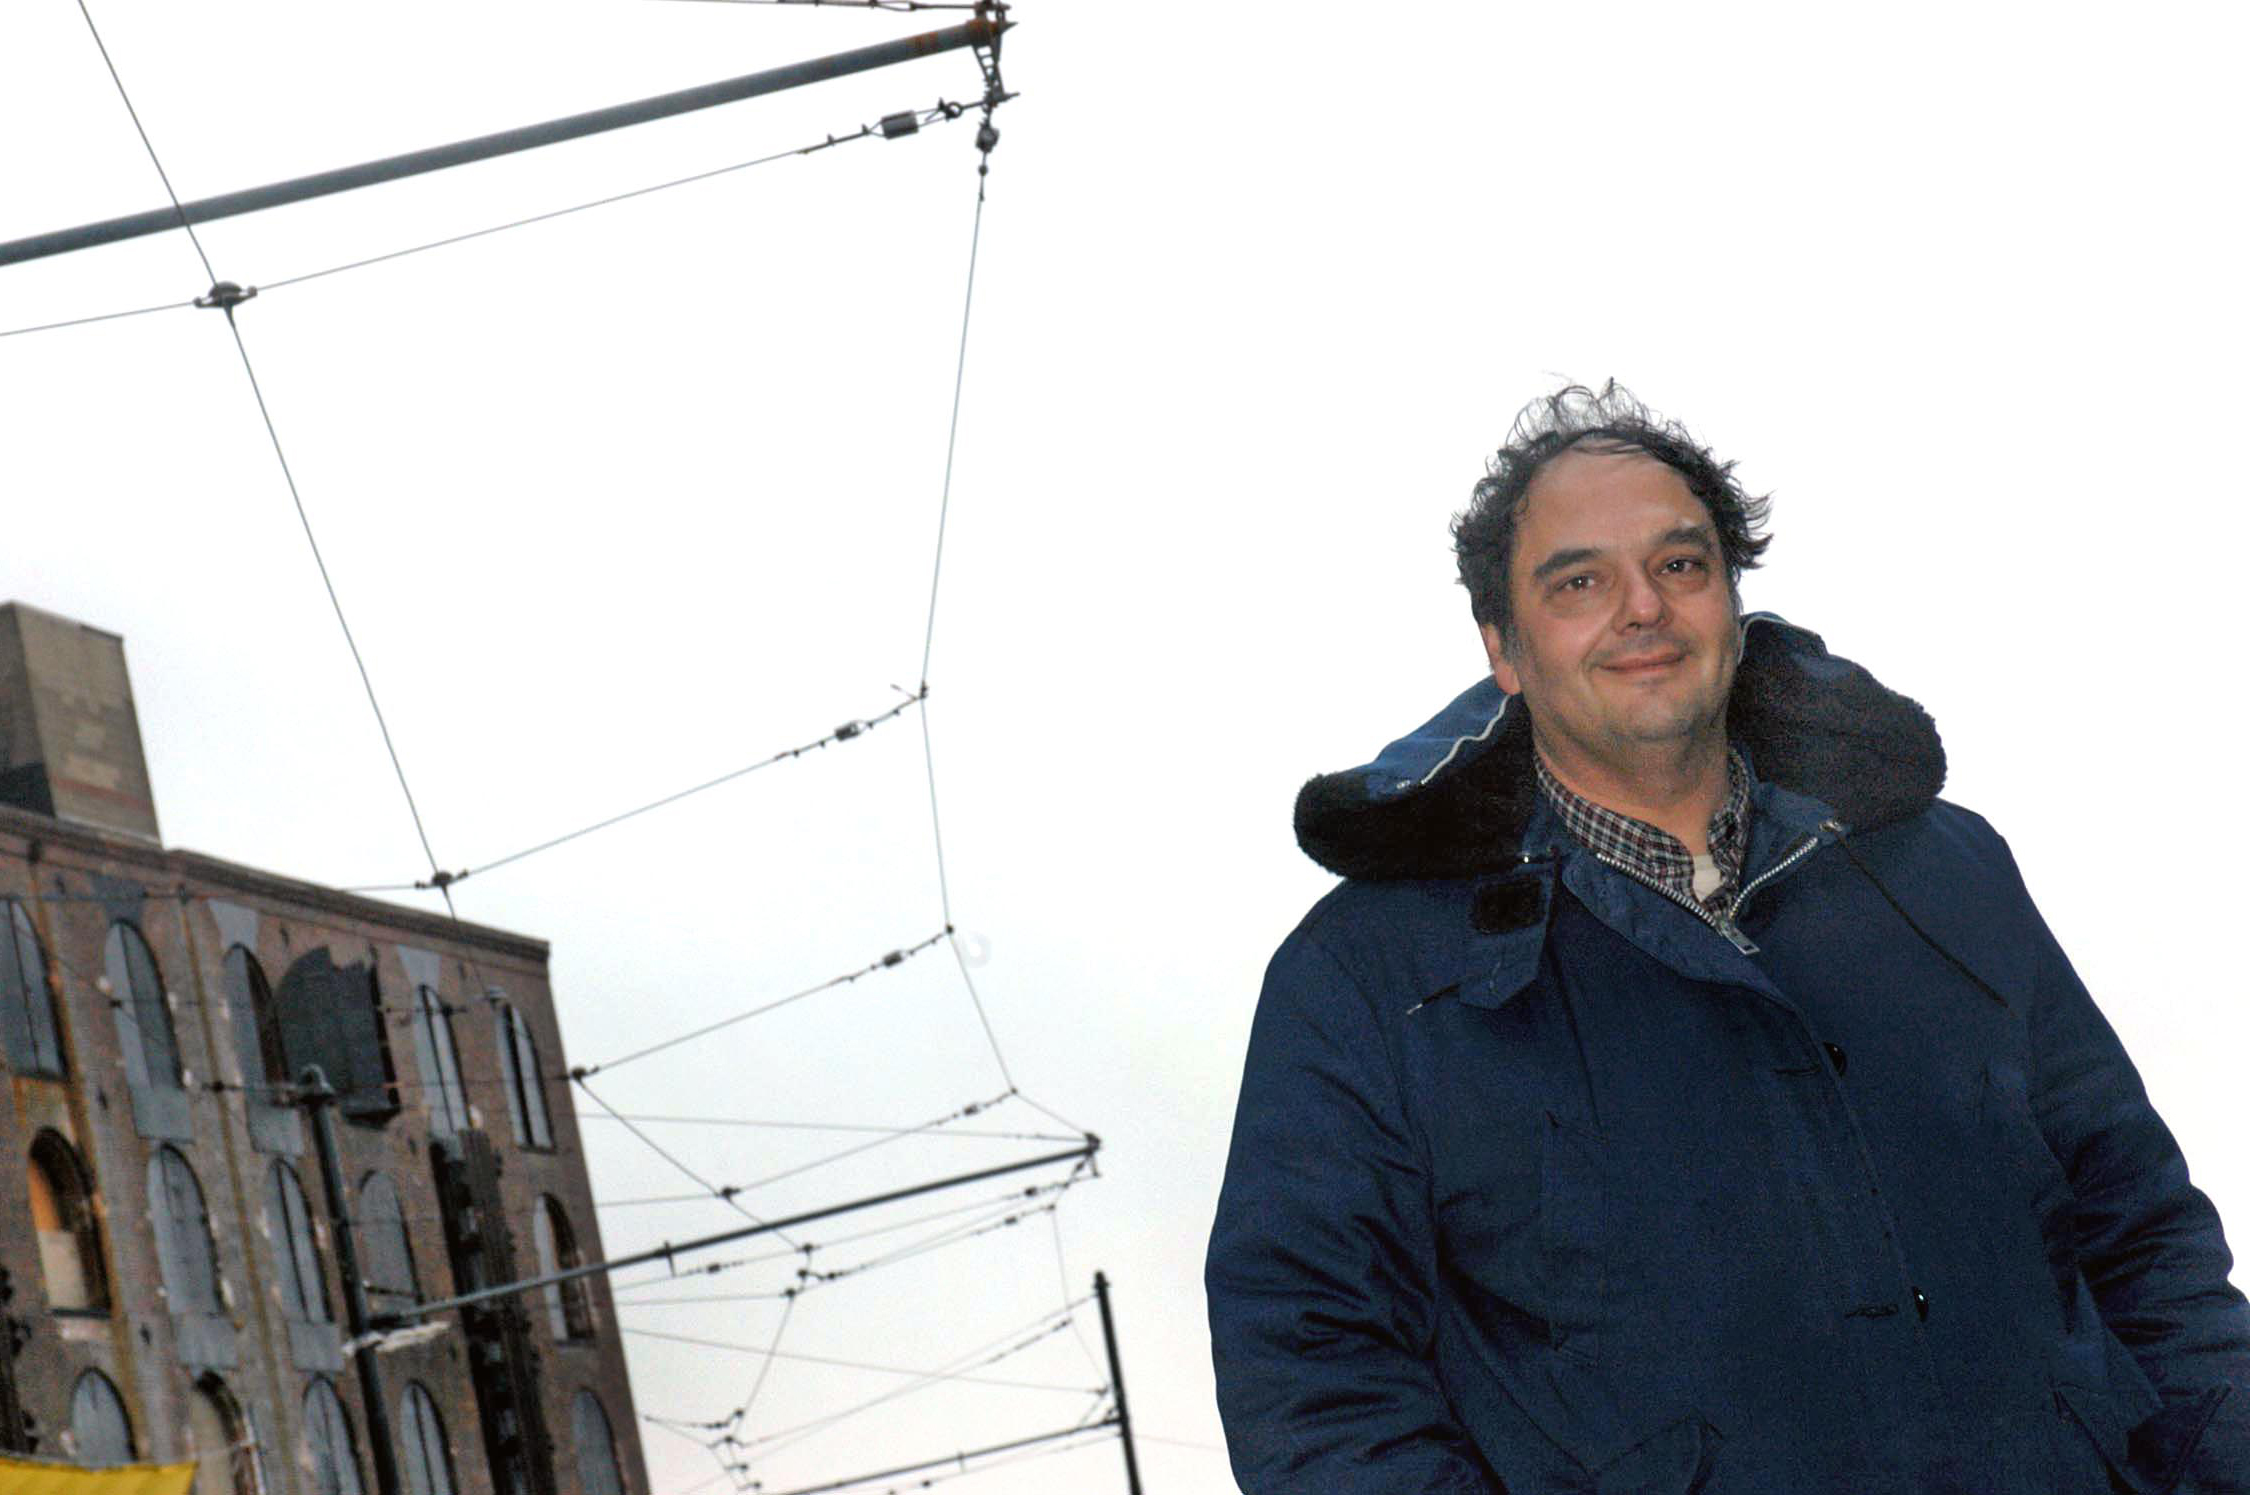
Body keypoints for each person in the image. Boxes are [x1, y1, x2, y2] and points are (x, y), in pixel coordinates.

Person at [1205, 383, 2249, 1494]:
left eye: (1681, 564)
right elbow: (1314, 1375)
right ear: (1503, 647)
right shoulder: (1369, 979)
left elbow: (2148, 1242)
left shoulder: (1947, 874)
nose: (1642, 608)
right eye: (1579, 582)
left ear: (1731, 599)